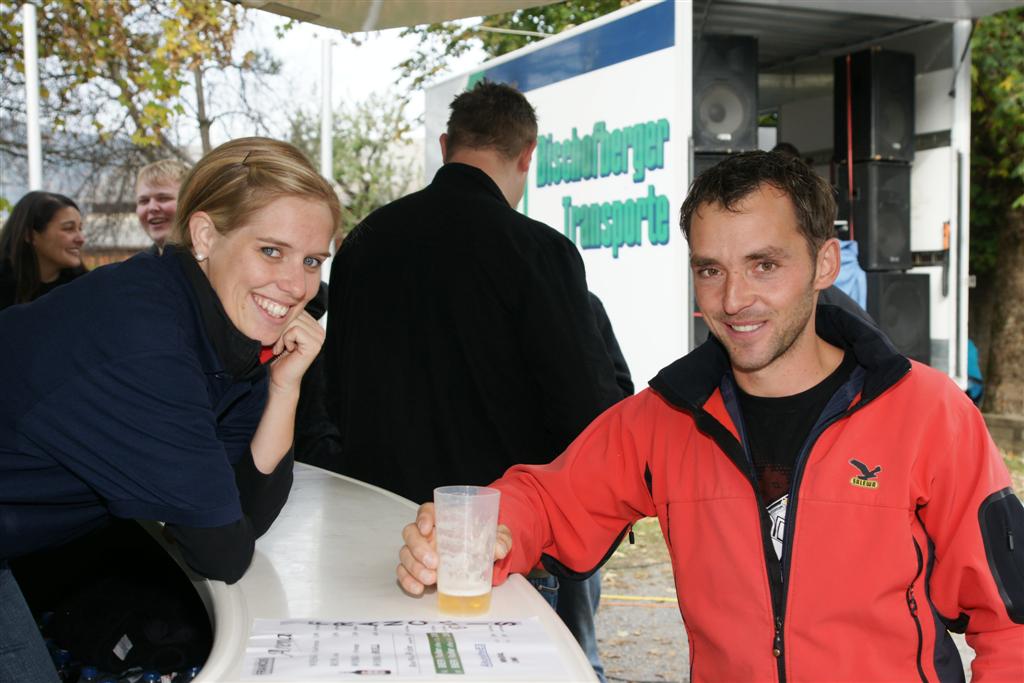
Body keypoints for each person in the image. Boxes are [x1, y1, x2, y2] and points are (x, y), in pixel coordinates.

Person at [398, 151, 1024, 681]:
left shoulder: (928, 412)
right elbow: (547, 498)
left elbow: (1011, 624)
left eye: (764, 265)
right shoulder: (669, 416)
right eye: (710, 270)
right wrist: (488, 532)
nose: (733, 299)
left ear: (825, 264)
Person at [0, 136, 339, 681]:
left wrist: (285, 388)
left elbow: (243, 515)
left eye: (312, 260)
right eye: (271, 251)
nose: (297, 285)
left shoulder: (222, 333)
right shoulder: (149, 338)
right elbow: (221, 552)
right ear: (205, 235)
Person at [324, 81, 622, 679]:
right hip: (496, 547)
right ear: (527, 155)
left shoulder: (362, 244)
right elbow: (584, 411)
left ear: (445, 145)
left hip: (378, 534)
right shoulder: (540, 251)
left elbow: (336, 394)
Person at [0, 191, 87, 309]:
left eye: (80, 228)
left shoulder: (86, 289)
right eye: (68, 228)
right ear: (30, 235)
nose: (81, 239)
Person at [135, 158, 189, 254]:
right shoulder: (137, 264)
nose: (152, 207)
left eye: (163, 198)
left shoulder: (216, 260)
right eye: (144, 201)